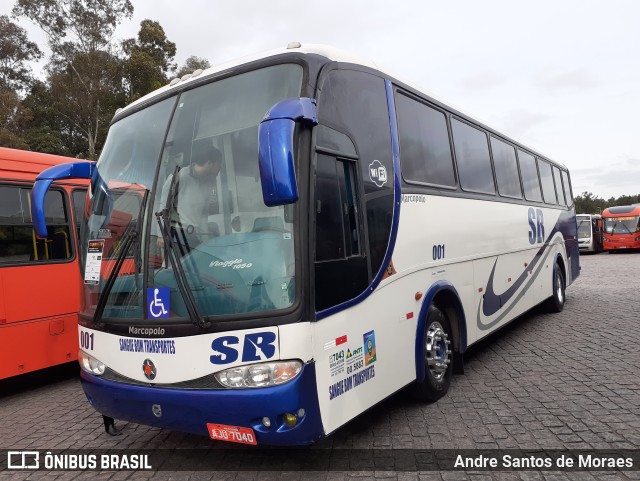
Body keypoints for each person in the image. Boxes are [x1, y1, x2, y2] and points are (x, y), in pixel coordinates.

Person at [157, 140, 222, 255]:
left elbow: (203, 213)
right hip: (177, 235)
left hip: (195, 236)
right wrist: (161, 235)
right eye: (219, 163)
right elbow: (163, 207)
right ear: (209, 163)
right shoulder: (179, 177)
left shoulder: (208, 183)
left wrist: (205, 241)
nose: (220, 167)